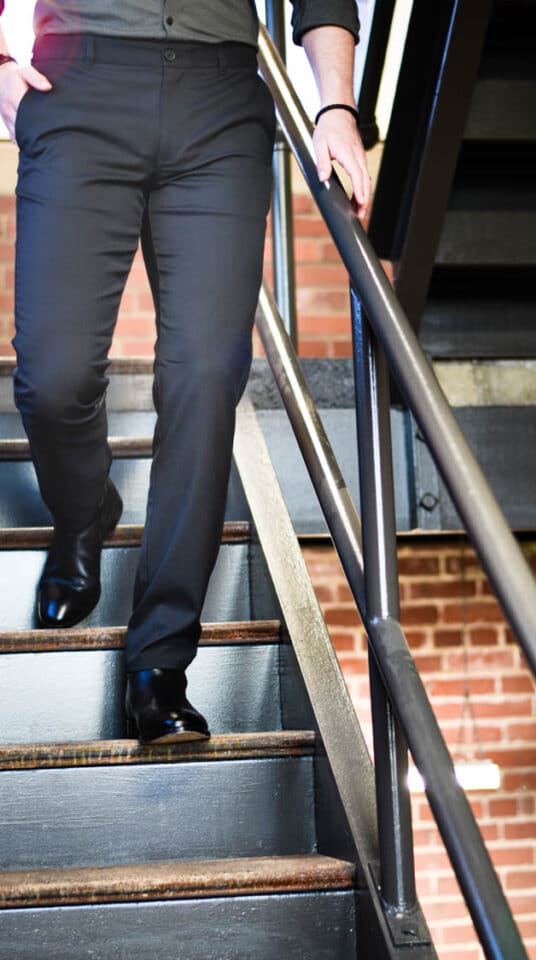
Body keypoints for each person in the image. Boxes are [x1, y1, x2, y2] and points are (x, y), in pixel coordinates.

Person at [0, 1, 370, 744]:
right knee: (53, 374)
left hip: (221, 102)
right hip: (80, 82)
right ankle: (83, 519)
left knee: (205, 380)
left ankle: (159, 662)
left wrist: (335, 103)